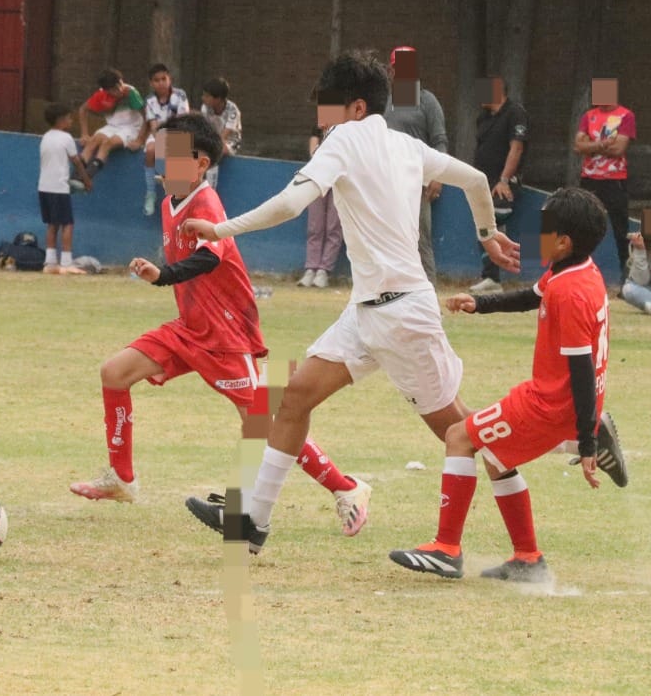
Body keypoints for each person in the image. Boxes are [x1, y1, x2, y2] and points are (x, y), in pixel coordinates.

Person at [181, 49, 520, 555]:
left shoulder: (344, 138)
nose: (321, 118)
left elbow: (292, 204)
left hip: (402, 314)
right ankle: (253, 520)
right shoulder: (407, 145)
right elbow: (473, 180)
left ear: (357, 108)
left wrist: (220, 229)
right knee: (295, 396)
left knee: (461, 431)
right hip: (368, 311)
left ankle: (564, 445)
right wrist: (487, 233)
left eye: (328, 106)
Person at [71, 113, 373, 537]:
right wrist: (163, 272)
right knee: (114, 373)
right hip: (188, 329)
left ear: (201, 164)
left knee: (266, 423)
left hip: (225, 337)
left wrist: (164, 275)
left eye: (177, 155)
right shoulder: (167, 203)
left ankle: (348, 489)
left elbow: (211, 257)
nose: (165, 162)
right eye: (163, 152)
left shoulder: (206, 202)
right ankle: (122, 478)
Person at [389, 186, 623, 584]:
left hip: (549, 404)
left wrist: (586, 441)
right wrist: (480, 304)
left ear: (564, 242)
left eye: (545, 228)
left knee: (460, 436)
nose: (538, 235)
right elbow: (532, 296)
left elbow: (581, 368)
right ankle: (527, 558)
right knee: (498, 457)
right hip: (556, 400)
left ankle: (446, 548)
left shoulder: (570, 291)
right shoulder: (575, 271)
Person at [381, 47, 449, 282]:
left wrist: (437, 176)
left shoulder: (427, 101)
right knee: (389, 240)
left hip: (417, 183)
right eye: (398, 68)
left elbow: (440, 140)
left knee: (420, 240)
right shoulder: (385, 102)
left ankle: (428, 296)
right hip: (389, 183)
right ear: (391, 71)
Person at [469, 79, 528, 295]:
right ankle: (490, 275)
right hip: (484, 182)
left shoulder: (515, 113)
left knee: (493, 219)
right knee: (483, 222)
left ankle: (493, 276)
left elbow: (517, 147)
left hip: (503, 184)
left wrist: (504, 180)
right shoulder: (483, 117)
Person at [574, 87, 636, 281]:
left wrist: (591, 146)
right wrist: (602, 144)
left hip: (615, 179)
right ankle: (577, 272)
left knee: (621, 229)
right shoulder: (589, 116)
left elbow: (619, 149)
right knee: (581, 225)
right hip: (589, 178)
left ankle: (627, 279)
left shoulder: (625, 116)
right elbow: (578, 146)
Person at [38, 103, 93, 275]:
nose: (71, 121)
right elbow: (76, 161)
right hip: (59, 187)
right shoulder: (66, 138)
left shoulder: (46, 137)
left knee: (52, 224)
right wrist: (86, 180)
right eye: (69, 118)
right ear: (61, 120)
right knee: (67, 223)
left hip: (44, 187)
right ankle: (67, 261)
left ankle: (50, 261)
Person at [140, 63, 189, 216]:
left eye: (164, 78)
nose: (161, 83)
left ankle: (178, 198)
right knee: (150, 150)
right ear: (151, 83)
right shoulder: (149, 100)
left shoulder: (180, 95)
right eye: (156, 80)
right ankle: (151, 193)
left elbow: (182, 121)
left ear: (170, 79)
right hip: (158, 136)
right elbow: (154, 127)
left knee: (176, 150)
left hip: (178, 135)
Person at [77, 68, 145, 178]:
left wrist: (140, 140)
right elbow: (83, 110)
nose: (119, 89)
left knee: (108, 143)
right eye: (114, 89)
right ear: (106, 90)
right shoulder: (101, 95)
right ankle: (76, 176)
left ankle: (89, 175)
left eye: (120, 84)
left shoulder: (130, 92)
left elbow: (147, 116)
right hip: (112, 126)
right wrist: (84, 134)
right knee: (94, 140)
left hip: (131, 127)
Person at [298, 123, 343, 289]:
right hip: (318, 176)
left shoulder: (350, 126)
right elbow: (313, 149)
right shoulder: (320, 123)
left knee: (334, 226)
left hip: (340, 179)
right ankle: (311, 268)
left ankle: (324, 271)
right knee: (315, 225)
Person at [197, 77, 240, 190]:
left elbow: (225, 135)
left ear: (218, 99)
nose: (203, 98)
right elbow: (205, 129)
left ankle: (211, 189)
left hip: (230, 141)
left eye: (207, 96)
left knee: (216, 151)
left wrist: (210, 146)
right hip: (212, 138)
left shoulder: (233, 110)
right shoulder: (205, 108)